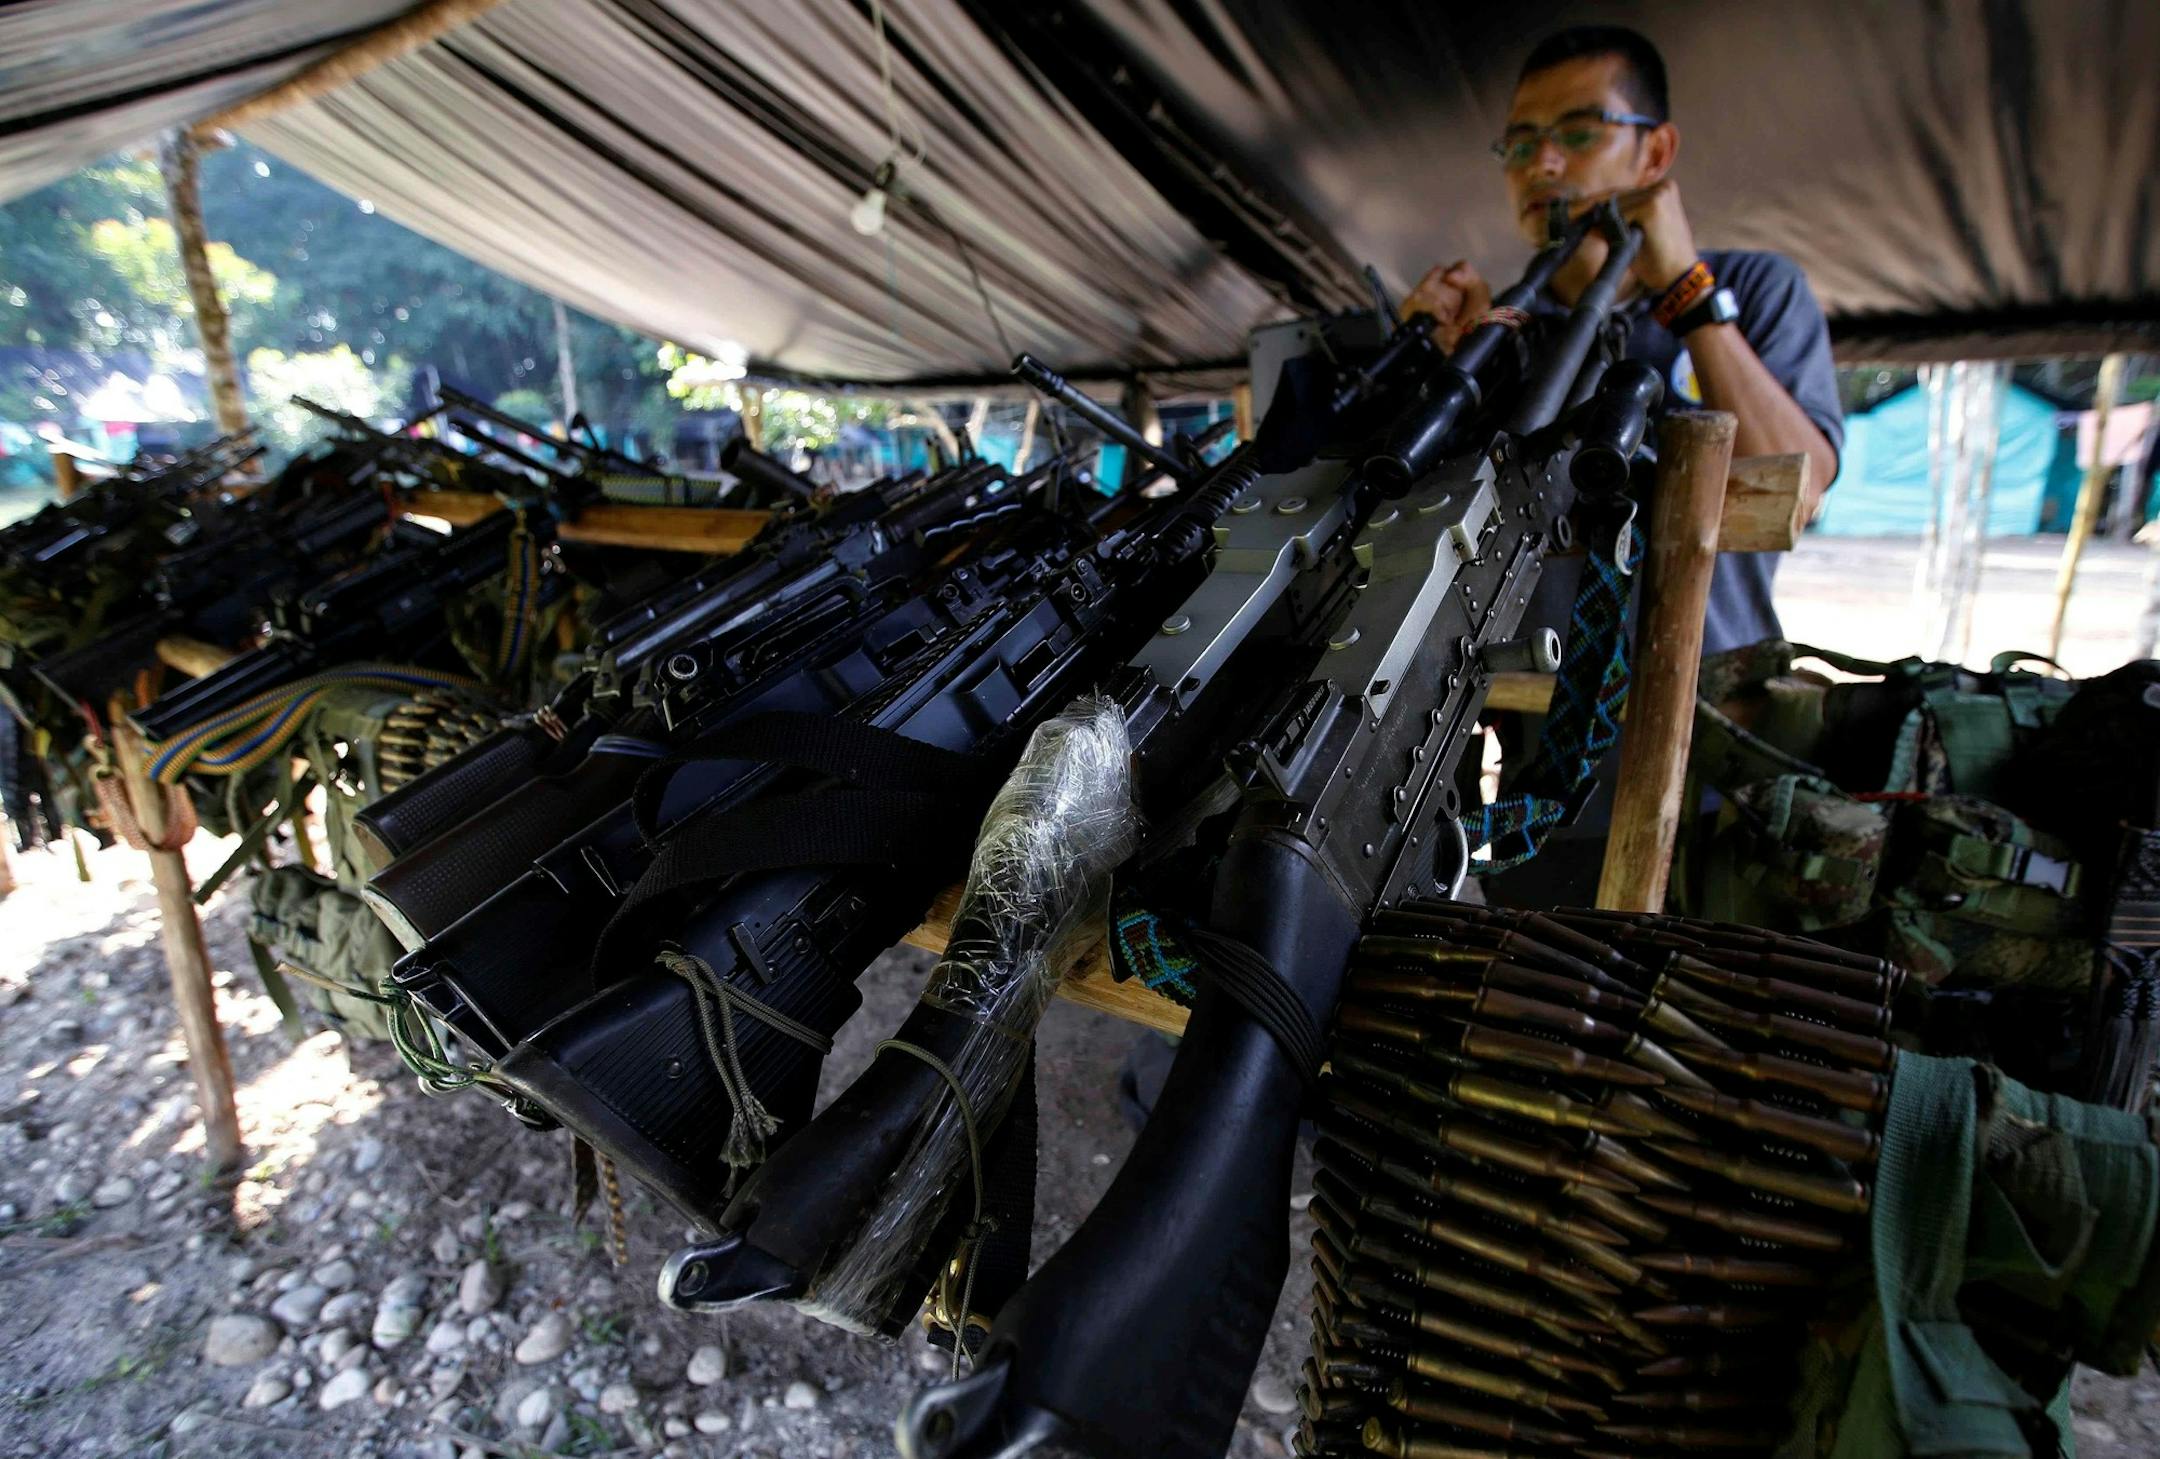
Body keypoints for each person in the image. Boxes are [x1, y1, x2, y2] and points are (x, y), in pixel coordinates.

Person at [1400, 24, 1847, 906]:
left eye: (1578, 132)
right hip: (1551, 775)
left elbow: (1796, 480)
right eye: (1520, 143)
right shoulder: (1506, 333)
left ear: (1657, 151)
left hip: (1723, 760)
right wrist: (1437, 359)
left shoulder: (1751, 292)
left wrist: (1688, 295)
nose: (1544, 166)